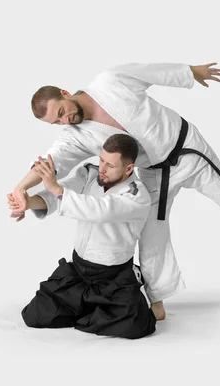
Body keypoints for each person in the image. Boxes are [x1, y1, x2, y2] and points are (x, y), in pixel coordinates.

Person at [9, 62, 220, 321]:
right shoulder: (75, 136)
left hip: (188, 151)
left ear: (65, 92)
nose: (64, 121)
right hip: (153, 174)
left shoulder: (109, 81)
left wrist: (189, 72)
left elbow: (150, 72)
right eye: (56, 122)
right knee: (150, 233)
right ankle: (157, 299)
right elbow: (49, 164)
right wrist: (20, 188)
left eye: (61, 112)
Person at [10, 134, 156, 339]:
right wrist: (29, 202)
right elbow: (57, 196)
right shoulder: (90, 174)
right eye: (101, 160)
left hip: (112, 278)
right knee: (35, 316)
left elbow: (101, 210)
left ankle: (121, 293)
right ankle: (93, 308)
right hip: (79, 272)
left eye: (110, 166)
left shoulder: (137, 195)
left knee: (135, 326)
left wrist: (57, 188)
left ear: (129, 169)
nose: (102, 168)